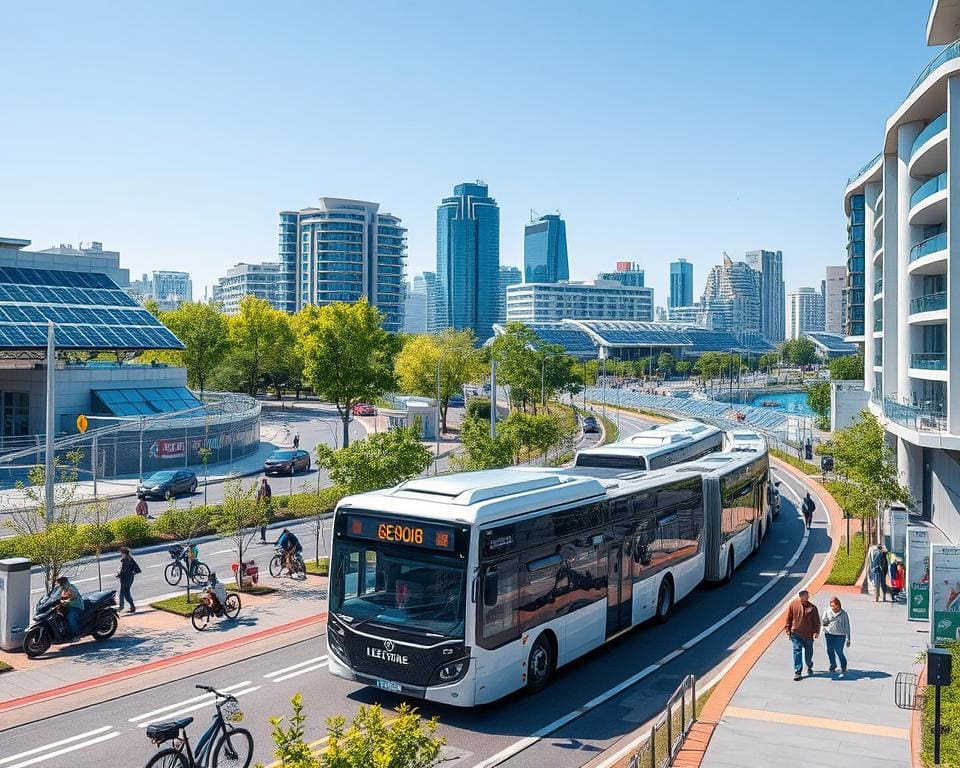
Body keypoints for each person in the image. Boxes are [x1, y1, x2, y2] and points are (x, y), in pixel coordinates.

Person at [784, 589, 821, 681]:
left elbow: (816, 621)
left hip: (808, 634)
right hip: (795, 633)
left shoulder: (813, 608)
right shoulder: (793, 605)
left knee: (808, 653)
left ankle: (809, 665)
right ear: (801, 596)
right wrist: (788, 629)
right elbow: (789, 617)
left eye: (808, 596)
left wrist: (816, 631)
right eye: (806, 596)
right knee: (797, 650)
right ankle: (798, 671)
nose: (807, 597)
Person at [821, 596, 852, 677]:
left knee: (839, 651)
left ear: (839, 605)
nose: (833, 607)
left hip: (840, 635)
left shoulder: (844, 613)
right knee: (830, 650)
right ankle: (833, 664)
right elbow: (823, 622)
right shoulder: (827, 611)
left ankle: (843, 666)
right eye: (831, 605)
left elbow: (847, 626)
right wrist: (825, 623)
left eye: (834, 605)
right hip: (829, 634)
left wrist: (848, 639)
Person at [116, 546, 141, 614]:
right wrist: (132, 573)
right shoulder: (130, 559)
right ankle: (132, 607)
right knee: (127, 593)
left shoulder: (126, 560)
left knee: (122, 594)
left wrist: (119, 574)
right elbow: (138, 570)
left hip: (126, 579)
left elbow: (125, 571)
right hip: (129, 578)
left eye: (121, 552)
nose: (120, 554)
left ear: (124, 553)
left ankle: (121, 607)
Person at [257, 477, 273, 543]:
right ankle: (263, 537)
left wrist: (257, 506)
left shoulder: (264, 489)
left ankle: (263, 538)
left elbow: (259, 498)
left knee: (263, 524)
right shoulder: (265, 488)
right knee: (263, 524)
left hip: (264, 508)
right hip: (264, 508)